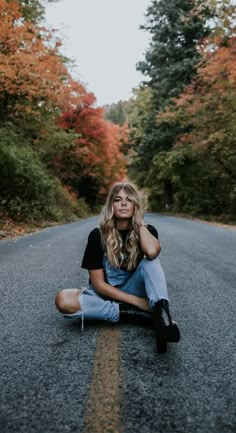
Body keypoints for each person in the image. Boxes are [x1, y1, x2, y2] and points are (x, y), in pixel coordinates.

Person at [55, 181, 180, 353]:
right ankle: (139, 314)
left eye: (129, 200)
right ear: (111, 205)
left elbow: (151, 252)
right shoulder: (97, 235)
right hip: (105, 295)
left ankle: (162, 315)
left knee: (151, 262)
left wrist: (140, 224)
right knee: (63, 299)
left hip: (134, 288)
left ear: (135, 205)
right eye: (118, 199)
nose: (123, 204)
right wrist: (138, 302)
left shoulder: (147, 230)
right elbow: (98, 285)